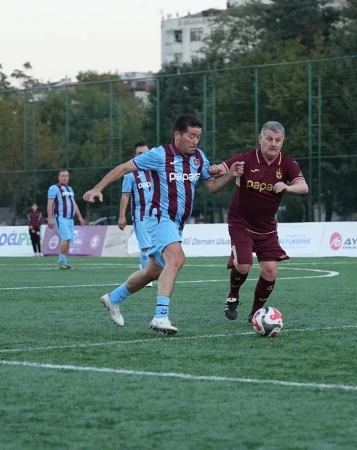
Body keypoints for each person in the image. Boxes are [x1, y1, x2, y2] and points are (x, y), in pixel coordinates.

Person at [83, 114, 243, 335]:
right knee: (176, 258)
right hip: (159, 217)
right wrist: (97, 188)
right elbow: (123, 168)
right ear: (177, 134)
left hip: (177, 223)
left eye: (198, 137)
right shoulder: (159, 155)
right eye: (191, 136)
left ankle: (113, 298)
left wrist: (230, 175)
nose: (195, 141)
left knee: (152, 271)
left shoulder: (198, 158)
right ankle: (160, 316)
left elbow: (213, 187)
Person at [208, 121, 308, 323]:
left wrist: (288, 187)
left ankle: (255, 313)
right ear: (260, 138)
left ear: (282, 142)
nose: (273, 144)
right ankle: (233, 296)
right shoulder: (245, 159)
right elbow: (221, 168)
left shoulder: (288, 163)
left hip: (267, 228)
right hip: (240, 222)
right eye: (269, 139)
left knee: (270, 270)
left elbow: (303, 186)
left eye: (277, 140)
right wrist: (216, 168)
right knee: (244, 265)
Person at [118, 141, 154, 287]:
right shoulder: (130, 174)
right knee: (146, 246)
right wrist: (122, 216)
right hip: (140, 215)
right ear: (135, 156)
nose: (143, 156)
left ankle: (145, 268)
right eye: (140, 154)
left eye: (145, 153)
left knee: (157, 247)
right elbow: (125, 195)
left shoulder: (155, 170)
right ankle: (146, 276)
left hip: (157, 214)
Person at [47, 169, 85, 269]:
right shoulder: (54, 188)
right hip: (60, 218)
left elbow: (74, 203)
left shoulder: (70, 189)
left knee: (68, 240)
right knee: (66, 238)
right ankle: (61, 261)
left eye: (67, 176)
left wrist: (80, 216)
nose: (65, 178)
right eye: (63, 176)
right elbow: (50, 204)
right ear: (58, 177)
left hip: (70, 219)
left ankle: (64, 262)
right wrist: (50, 218)